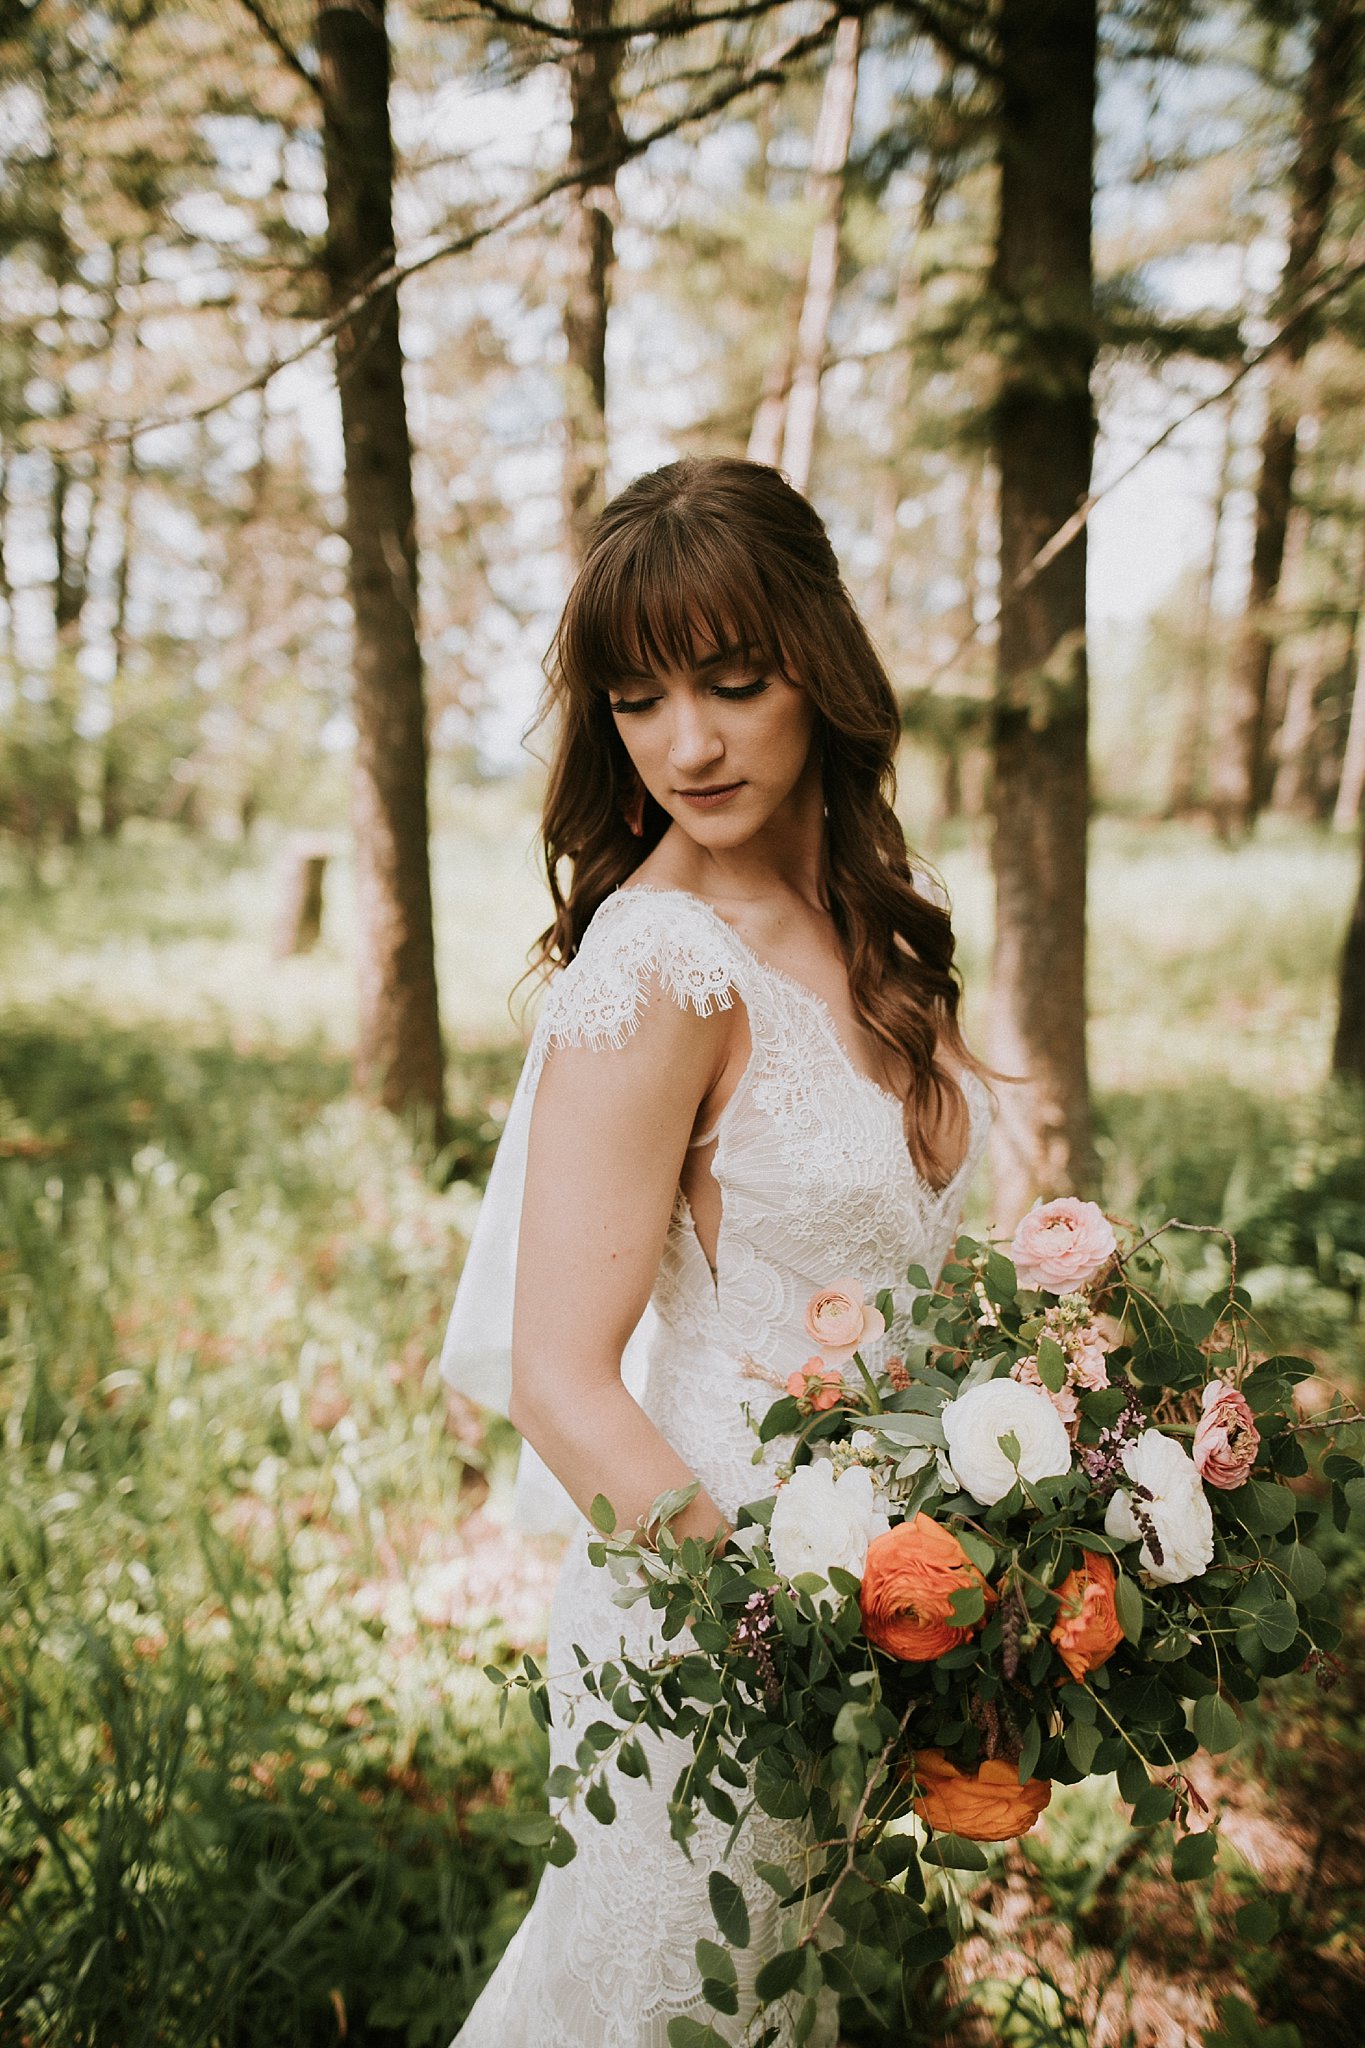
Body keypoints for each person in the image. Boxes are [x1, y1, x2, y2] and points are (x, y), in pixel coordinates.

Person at [441, 456, 992, 2047]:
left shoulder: (876, 918)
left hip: (886, 1596)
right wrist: (780, 1641)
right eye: (636, 699)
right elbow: (556, 1377)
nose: (685, 743)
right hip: (708, 1618)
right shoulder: (662, 966)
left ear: (817, 664)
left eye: (732, 684)